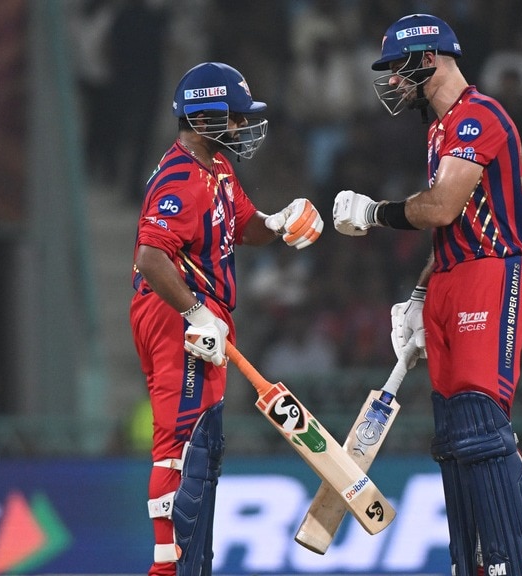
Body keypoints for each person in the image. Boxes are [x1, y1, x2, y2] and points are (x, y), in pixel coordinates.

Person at [331, 14, 522, 576]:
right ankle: (469, 564)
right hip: (451, 276)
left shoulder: (478, 116)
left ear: (429, 59)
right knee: (451, 436)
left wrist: (374, 213)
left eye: (401, 68)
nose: (395, 81)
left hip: (490, 274)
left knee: (480, 423)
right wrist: (422, 293)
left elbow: (442, 207)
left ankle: (509, 562)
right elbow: (452, 228)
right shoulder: (440, 130)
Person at [129, 61, 324, 576]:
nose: (241, 126)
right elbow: (150, 256)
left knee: (203, 442)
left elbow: (243, 225)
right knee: (183, 444)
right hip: (176, 310)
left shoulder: (216, 167)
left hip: (196, 312)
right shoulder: (180, 177)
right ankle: (170, 570)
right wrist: (195, 313)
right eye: (234, 116)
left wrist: (277, 223)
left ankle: (189, 565)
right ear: (204, 118)